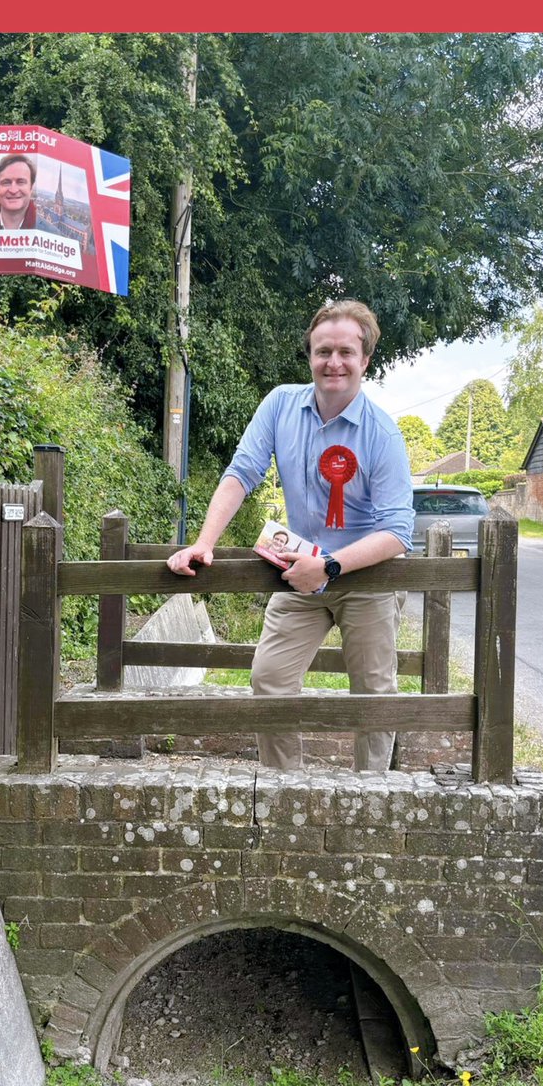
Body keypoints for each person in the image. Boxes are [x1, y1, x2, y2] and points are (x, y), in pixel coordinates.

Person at [167, 299, 414, 772]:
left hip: (366, 578)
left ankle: (372, 793)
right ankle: (286, 787)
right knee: (271, 680)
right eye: (323, 351)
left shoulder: (382, 433)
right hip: (299, 571)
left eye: (346, 351)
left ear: (365, 360)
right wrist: (204, 542)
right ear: (309, 356)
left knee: (374, 693)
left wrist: (331, 566)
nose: (333, 362)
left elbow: (399, 531)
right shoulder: (280, 404)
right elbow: (241, 474)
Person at [0, 153, 58, 266]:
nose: (13, 190)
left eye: (21, 182)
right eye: (6, 182)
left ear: (31, 187)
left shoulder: (52, 235)